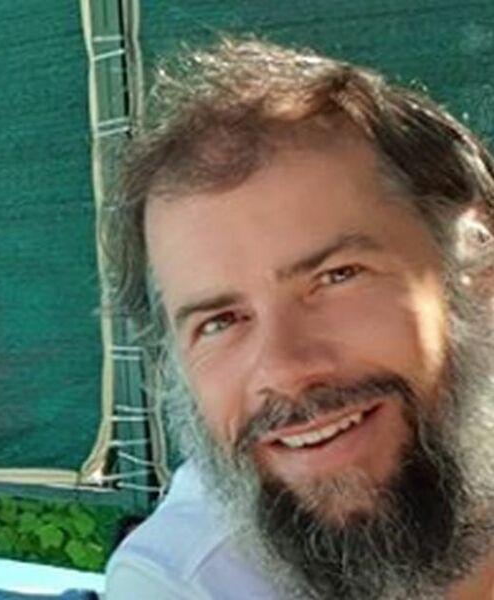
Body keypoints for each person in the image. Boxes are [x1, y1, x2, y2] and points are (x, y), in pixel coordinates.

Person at [104, 39, 494, 599]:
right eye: (220, 322)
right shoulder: (188, 583)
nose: (285, 370)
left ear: (479, 270)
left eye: (337, 276)